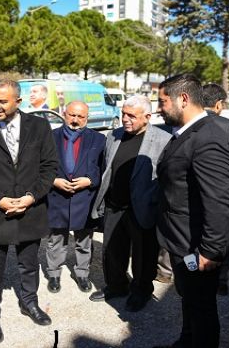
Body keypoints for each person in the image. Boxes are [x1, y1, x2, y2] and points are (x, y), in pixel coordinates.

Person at [0, 80, 59, 344]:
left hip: (31, 210)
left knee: (29, 265)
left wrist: (30, 197)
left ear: (18, 101)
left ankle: (30, 303)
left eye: (2, 101)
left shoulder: (39, 126)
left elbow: (49, 166)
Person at [156, 74, 229, 348]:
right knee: (189, 300)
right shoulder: (188, 132)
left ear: (183, 99)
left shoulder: (209, 137)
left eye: (162, 101)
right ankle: (186, 341)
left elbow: (219, 201)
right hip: (181, 239)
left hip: (196, 245)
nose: (159, 108)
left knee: (202, 308)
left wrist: (211, 250)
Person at [89, 95, 172, 312]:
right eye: (123, 114)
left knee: (144, 256)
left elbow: (166, 179)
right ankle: (117, 286)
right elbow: (106, 168)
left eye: (131, 116)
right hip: (114, 206)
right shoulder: (114, 135)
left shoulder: (163, 140)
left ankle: (142, 290)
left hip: (142, 209)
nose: (125, 119)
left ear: (147, 117)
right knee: (112, 251)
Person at [46, 101, 105, 294]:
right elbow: (39, 167)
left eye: (80, 117)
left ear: (87, 118)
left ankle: (82, 274)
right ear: (64, 114)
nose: (75, 120)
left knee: (84, 241)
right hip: (57, 196)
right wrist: (53, 180)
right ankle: (54, 274)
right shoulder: (50, 137)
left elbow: (103, 169)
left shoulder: (98, 139)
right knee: (56, 239)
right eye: (72, 115)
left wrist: (89, 180)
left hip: (85, 198)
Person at [202, 83, 229, 296]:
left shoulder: (191, 124)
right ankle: (221, 280)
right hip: (223, 193)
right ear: (218, 104)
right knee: (223, 236)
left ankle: (195, 275)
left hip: (196, 194)